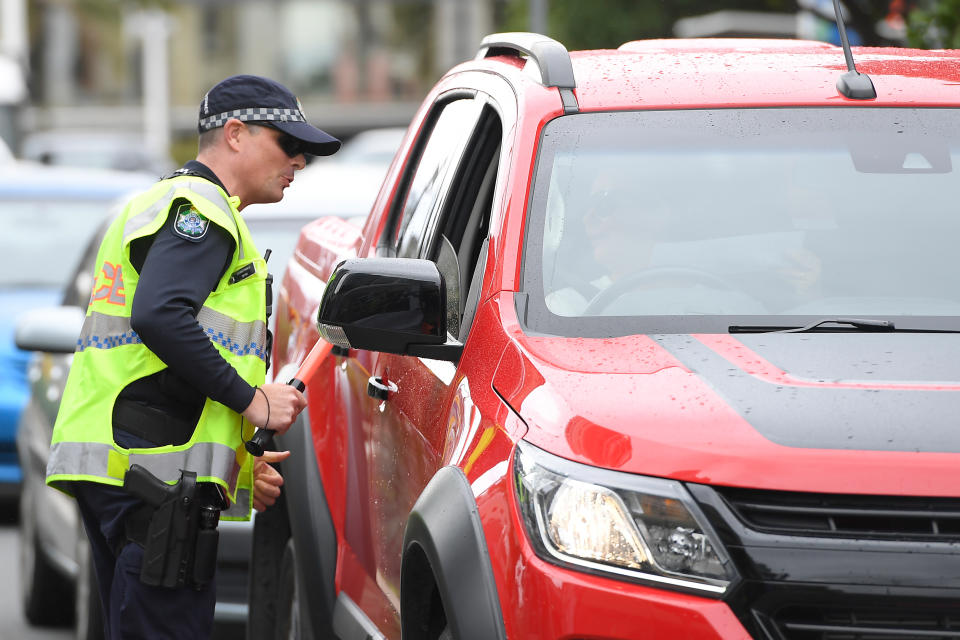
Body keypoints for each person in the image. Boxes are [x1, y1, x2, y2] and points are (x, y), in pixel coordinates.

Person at [45, 74, 341, 639]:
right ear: (235, 133)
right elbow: (159, 318)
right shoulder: (200, 211)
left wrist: (243, 467)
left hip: (128, 473)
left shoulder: (169, 202)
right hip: (151, 485)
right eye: (287, 143)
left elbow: (162, 368)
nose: (300, 160)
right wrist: (253, 400)